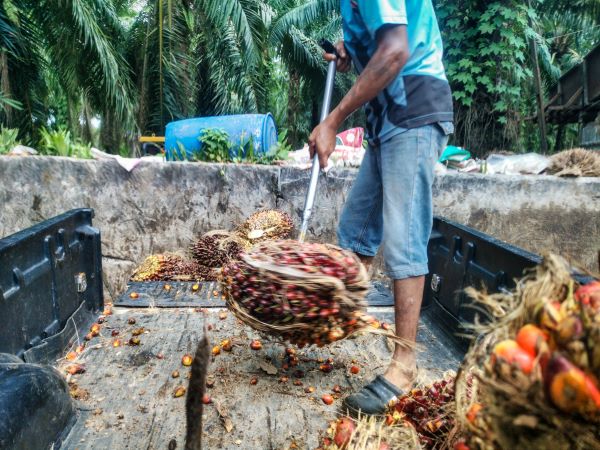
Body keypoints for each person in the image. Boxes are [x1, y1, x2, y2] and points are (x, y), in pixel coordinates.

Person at [308, 0, 454, 415]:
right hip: (386, 118)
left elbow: (394, 51)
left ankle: (403, 365)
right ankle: (338, 321)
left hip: (414, 111)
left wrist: (333, 121)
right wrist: (348, 51)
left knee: (403, 238)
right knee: (356, 230)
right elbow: (379, 43)